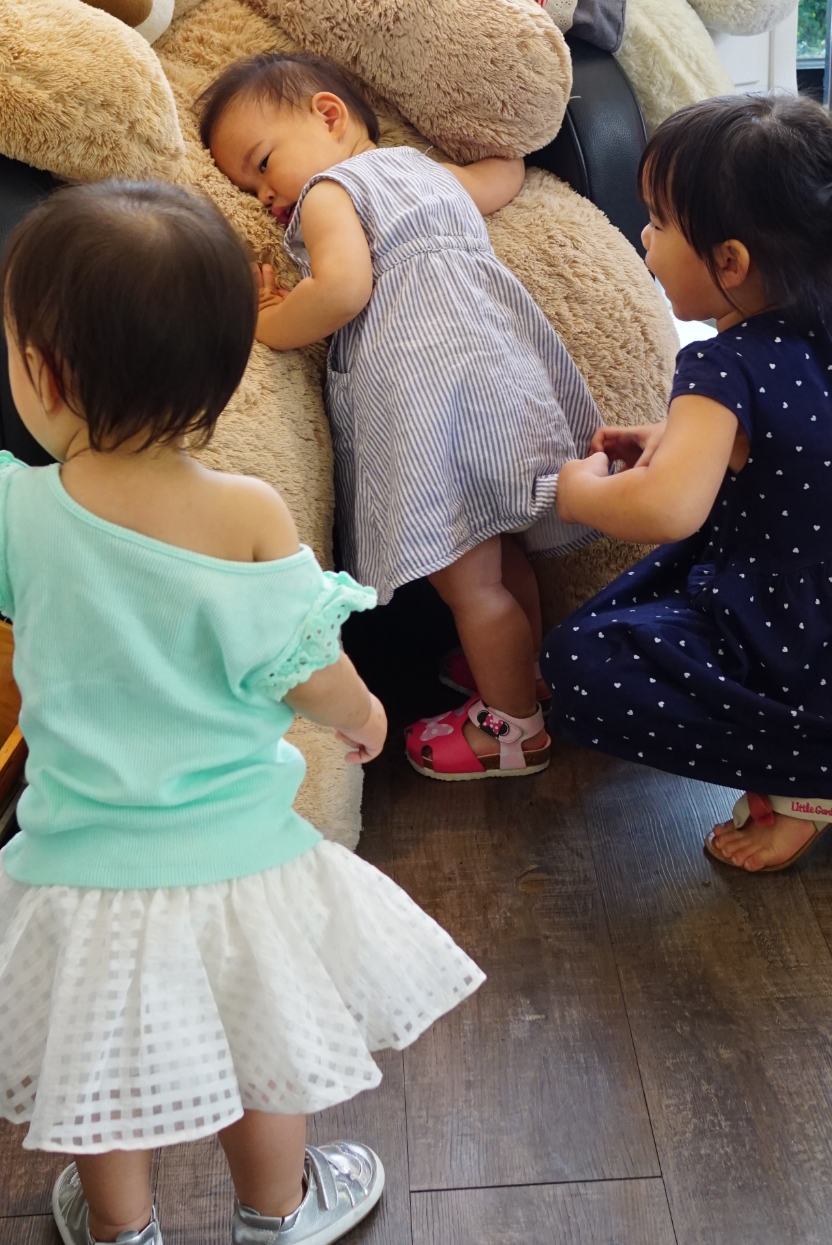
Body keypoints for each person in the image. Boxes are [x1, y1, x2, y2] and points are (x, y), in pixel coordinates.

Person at [0, 180, 482, 1245]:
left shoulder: (12, 509)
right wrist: (363, 719)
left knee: (101, 1064)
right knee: (262, 1050)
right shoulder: (249, 512)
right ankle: (276, 1216)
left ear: (48, 373)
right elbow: (304, 664)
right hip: (237, 856)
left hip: (81, 861)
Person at [544, 94, 832, 873]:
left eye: (657, 222)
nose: (643, 239)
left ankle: (816, 778)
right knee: (648, 601)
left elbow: (667, 509)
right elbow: (806, 444)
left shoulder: (718, 364)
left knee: (576, 664)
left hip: (817, 634)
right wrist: (674, 440)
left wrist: (575, 494)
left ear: (729, 262)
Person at [201, 50, 600, 782]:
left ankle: (513, 729)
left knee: (469, 584)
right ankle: (522, 672)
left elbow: (341, 290)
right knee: (503, 551)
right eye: (248, 188)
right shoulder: (424, 170)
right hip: (503, 373)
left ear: (328, 116)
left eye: (262, 164)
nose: (263, 196)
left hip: (427, 396)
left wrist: (266, 321)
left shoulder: (330, 191)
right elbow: (503, 175)